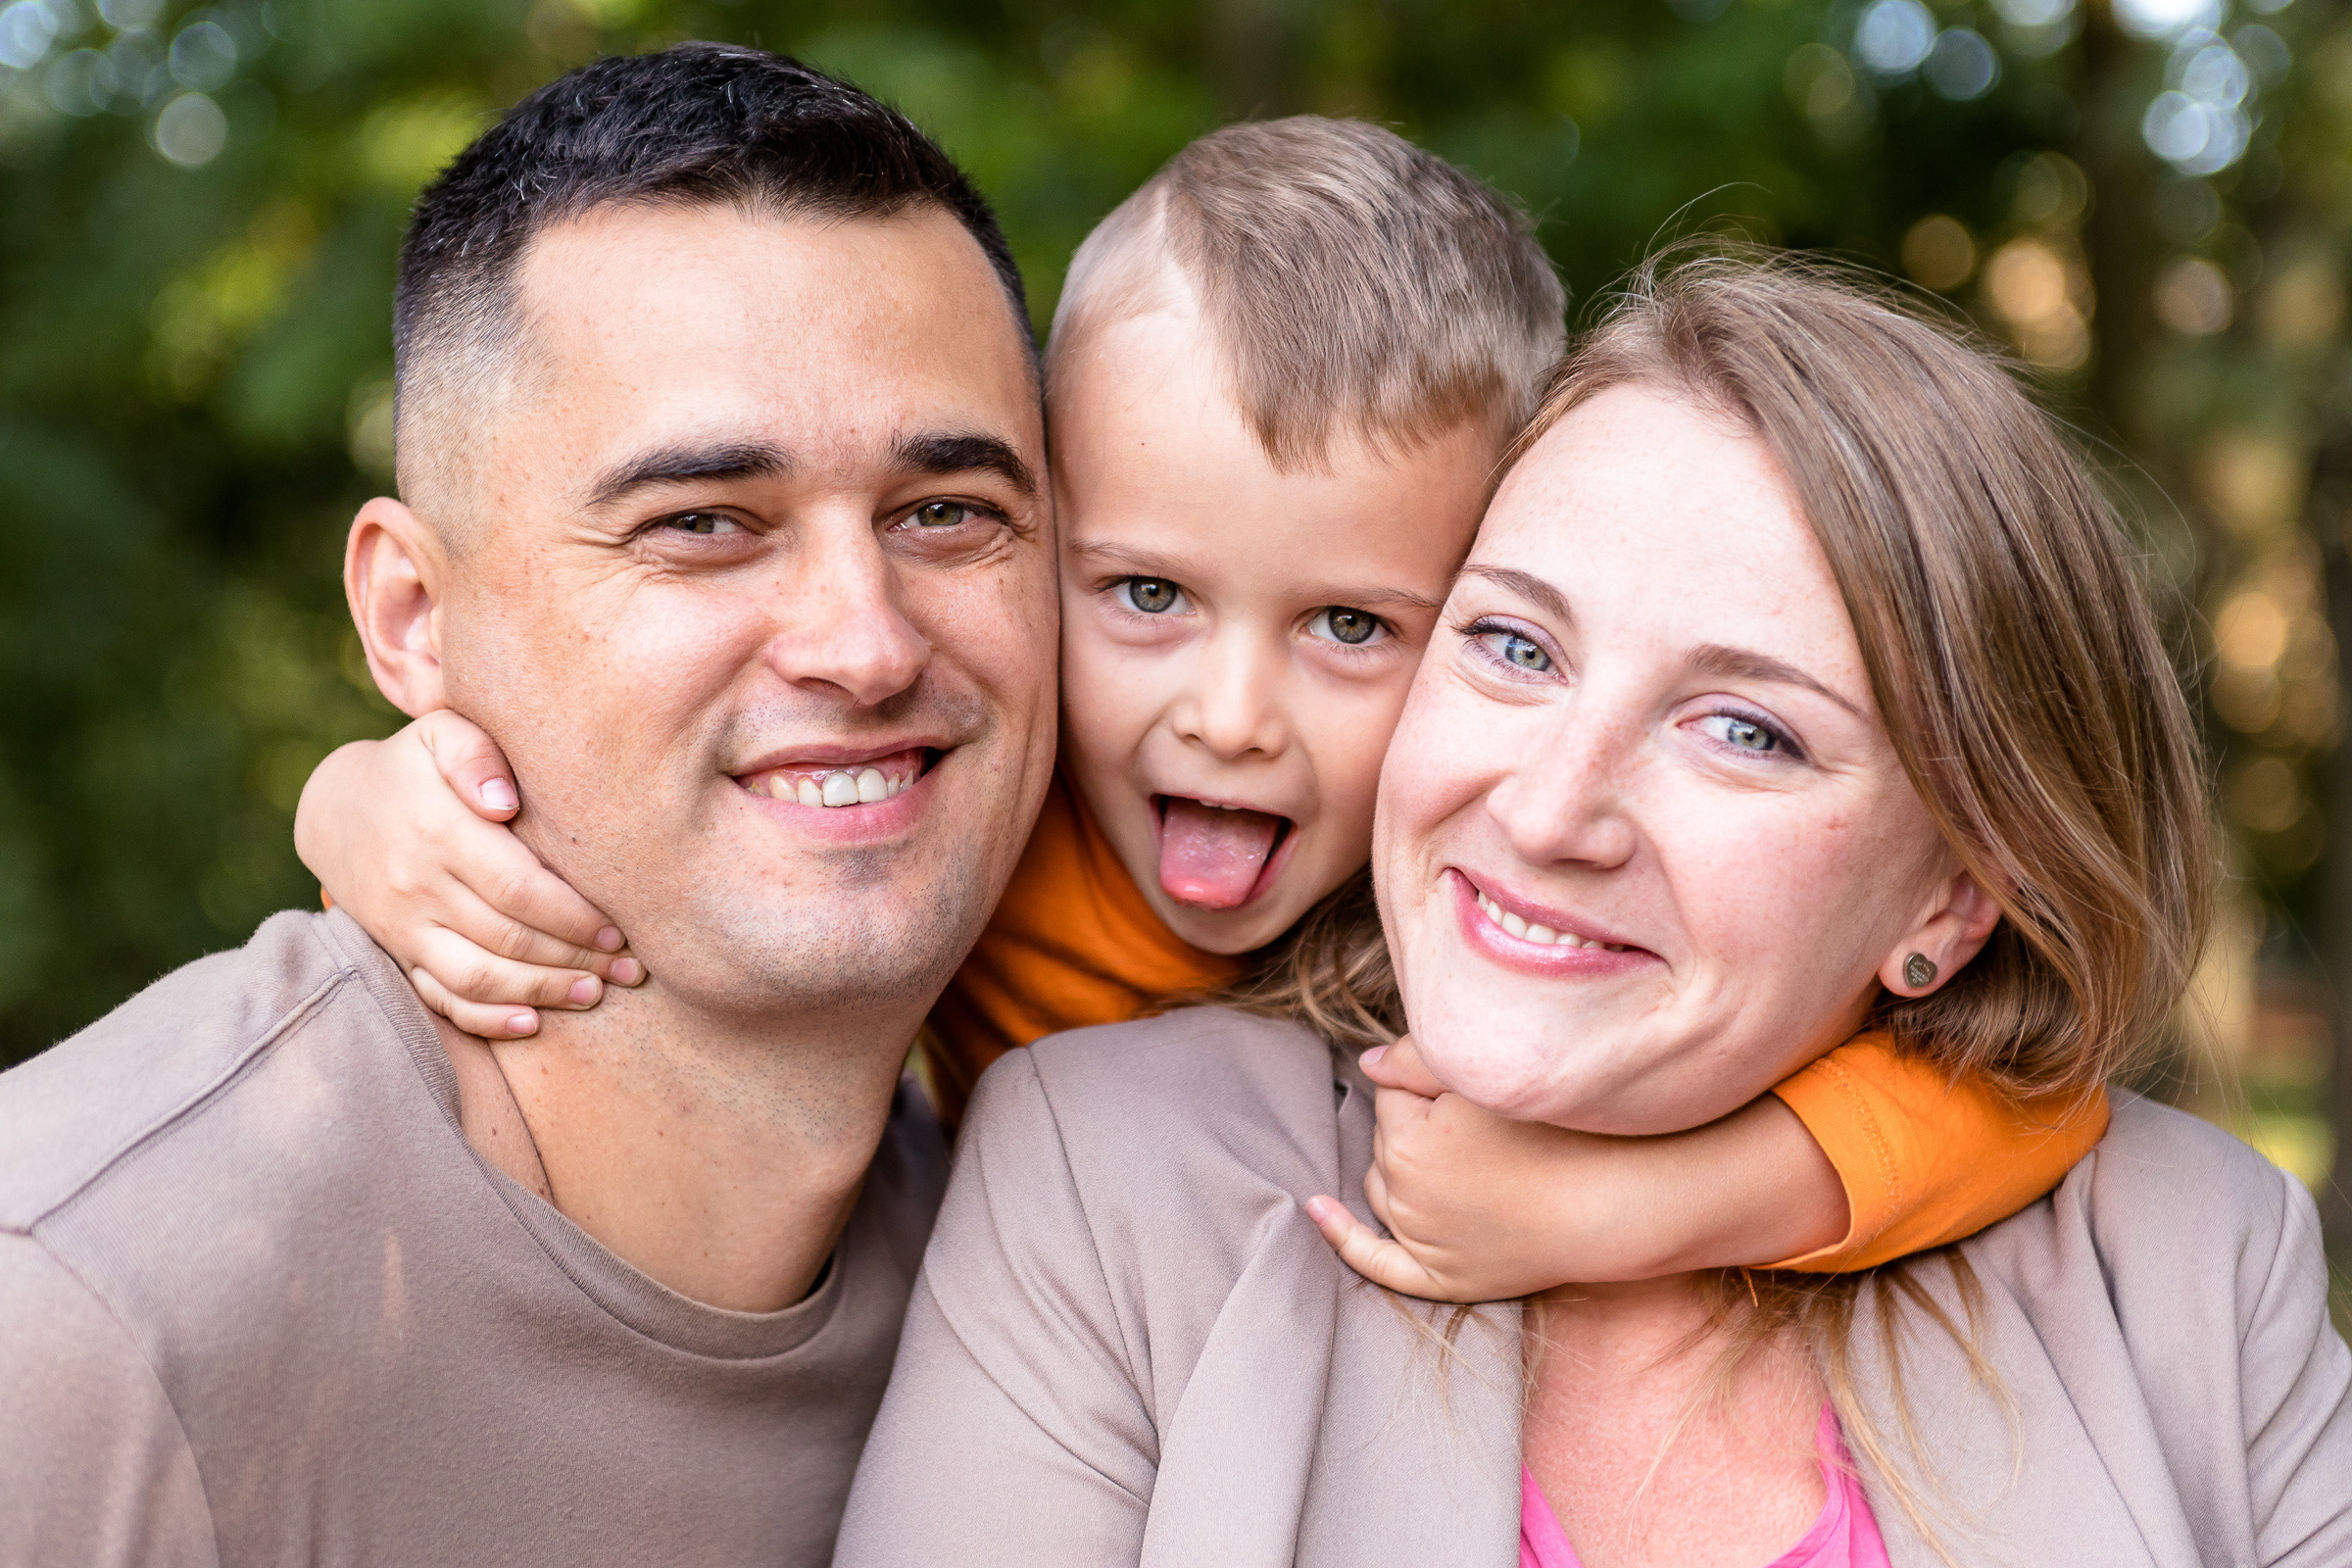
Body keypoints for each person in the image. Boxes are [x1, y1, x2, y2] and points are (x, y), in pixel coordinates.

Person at [298, 119, 2106, 1299]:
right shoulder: (957, 836)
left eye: (1352, 625)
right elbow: (640, 808)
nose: (1229, 718)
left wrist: (1634, 1209)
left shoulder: (1492, 924)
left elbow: (2028, 1107)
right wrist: (365, 810)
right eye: (1147, 597)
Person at [833, 251, 2352, 1567]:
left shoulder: (2194, 1260)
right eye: (1513, 646)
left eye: (1745, 731)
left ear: (1958, 897)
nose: (1551, 810)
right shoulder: (1103, 1174)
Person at [0, 45, 1054, 1567]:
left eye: (949, 513)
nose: (869, 642)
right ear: (414, 618)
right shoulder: (84, 1321)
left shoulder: (1078, 1249)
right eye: (703, 524)